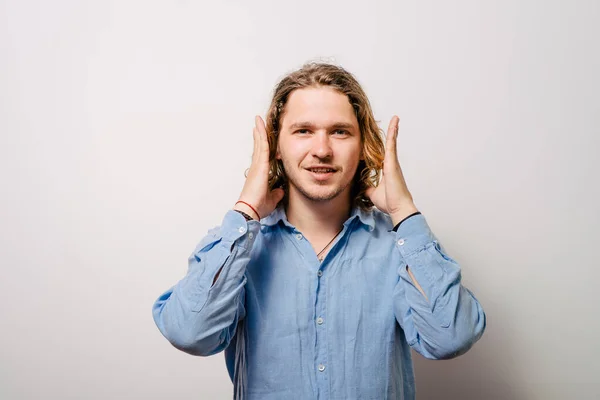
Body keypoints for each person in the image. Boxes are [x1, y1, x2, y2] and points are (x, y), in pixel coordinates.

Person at [152, 62, 486, 399]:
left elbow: (449, 337)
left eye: (340, 131)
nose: (322, 150)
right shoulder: (240, 246)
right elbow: (189, 333)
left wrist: (405, 213)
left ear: (363, 145)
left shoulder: (398, 246)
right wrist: (246, 209)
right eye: (303, 131)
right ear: (275, 147)